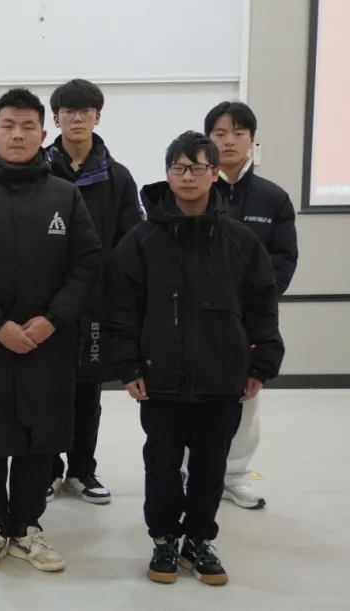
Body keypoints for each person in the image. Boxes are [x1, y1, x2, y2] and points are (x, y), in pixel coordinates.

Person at [107, 131, 284, 585]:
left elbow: (262, 306)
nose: (188, 177)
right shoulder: (141, 240)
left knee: (210, 467)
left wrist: (263, 362)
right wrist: (127, 365)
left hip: (221, 377)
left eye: (198, 168)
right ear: (167, 173)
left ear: (215, 173)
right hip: (160, 378)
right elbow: (122, 309)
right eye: (179, 168)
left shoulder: (241, 241)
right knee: (161, 465)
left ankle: (199, 540)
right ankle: (165, 538)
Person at [0, 88, 101, 575]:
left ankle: (27, 526)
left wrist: (53, 319)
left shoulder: (65, 195)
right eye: (8, 125)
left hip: (49, 342)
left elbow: (87, 263)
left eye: (28, 127)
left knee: (42, 434)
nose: (17, 135)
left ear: (43, 133)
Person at [45, 79, 144, 505]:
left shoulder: (117, 177)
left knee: (88, 392)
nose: (77, 118)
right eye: (69, 111)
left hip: (96, 302)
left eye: (86, 111)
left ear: (97, 117)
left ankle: (82, 470)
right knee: (48, 390)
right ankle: (48, 470)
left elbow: (130, 241)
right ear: (56, 119)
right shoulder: (38, 170)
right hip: (46, 302)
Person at [196, 101, 298, 510]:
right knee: (189, 397)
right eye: (220, 133)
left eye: (238, 132)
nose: (229, 140)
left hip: (247, 321)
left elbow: (283, 260)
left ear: (252, 139)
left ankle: (234, 475)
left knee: (245, 397)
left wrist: (254, 308)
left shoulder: (273, 198)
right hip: (196, 317)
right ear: (208, 139)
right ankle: (190, 471)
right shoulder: (192, 190)